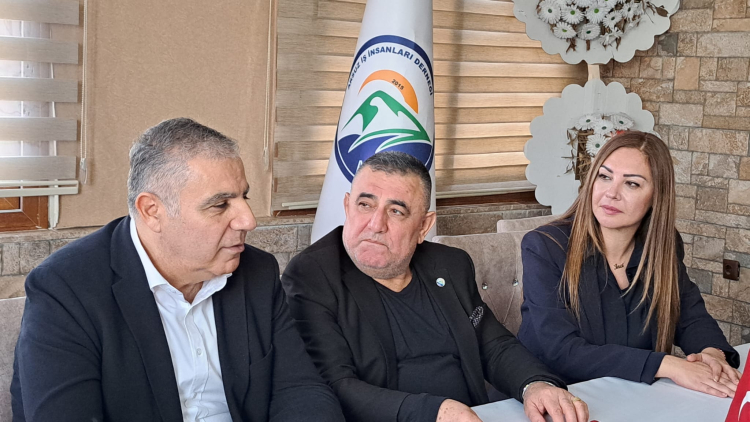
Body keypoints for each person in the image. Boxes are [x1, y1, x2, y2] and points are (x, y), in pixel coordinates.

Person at [11, 118, 345, 422]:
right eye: (220, 205)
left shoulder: (257, 271)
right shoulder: (66, 287)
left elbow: (300, 389)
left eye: (244, 197)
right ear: (152, 211)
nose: (248, 220)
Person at [282, 151, 589, 422]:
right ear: (347, 206)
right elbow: (332, 384)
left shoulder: (450, 265)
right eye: (365, 204)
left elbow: (493, 345)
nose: (376, 224)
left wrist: (534, 384)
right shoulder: (313, 275)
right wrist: (432, 412)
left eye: (396, 211)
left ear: (424, 226)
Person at [517, 131, 741, 399]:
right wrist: (667, 365)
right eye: (604, 176)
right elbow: (560, 350)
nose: (611, 193)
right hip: (553, 399)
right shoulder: (544, 247)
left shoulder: (663, 245)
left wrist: (712, 353)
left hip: (632, 397)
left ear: (656, 196)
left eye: (632, 184)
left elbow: (688, 315)